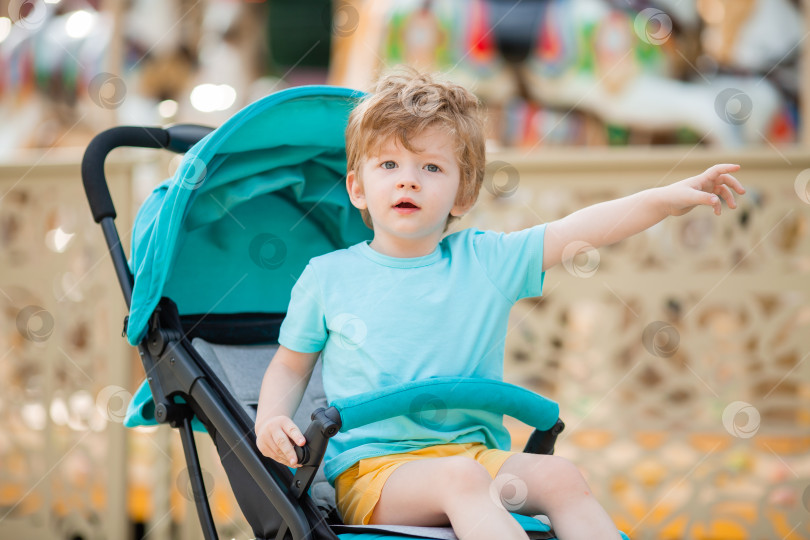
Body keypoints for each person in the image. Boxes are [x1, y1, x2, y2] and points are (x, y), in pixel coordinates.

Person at [254, 66, 745, 540]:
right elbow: (291, 366)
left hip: (476, 457)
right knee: (460, 479)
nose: (408, 180)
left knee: (562, 477)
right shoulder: (328, 276)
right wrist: (271, 418)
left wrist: (664, 200)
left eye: (431, 166)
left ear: (462, 194)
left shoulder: (486, 260)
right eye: (389, 165)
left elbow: (578, 230)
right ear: (358, 188)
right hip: (376, 473)